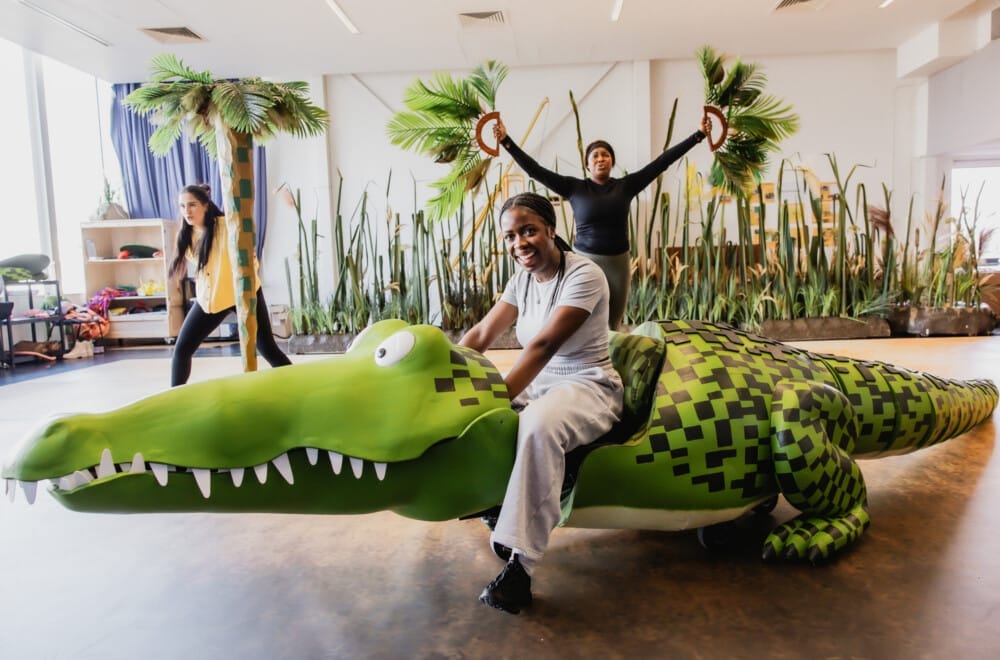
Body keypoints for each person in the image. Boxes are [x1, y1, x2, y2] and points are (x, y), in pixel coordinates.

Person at [459, 191, 624, 614]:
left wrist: (494, 399)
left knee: (535, 426)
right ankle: (495, 507)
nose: (520, 244)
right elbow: (481, 335)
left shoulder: (584, 275)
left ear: (551, 230)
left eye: (529, 231)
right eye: (511, 236)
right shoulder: (522, 280)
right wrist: (449, 373)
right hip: (542, 384)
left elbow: (544, 346)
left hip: (588, 385)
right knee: (487, 423)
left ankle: (521, 567)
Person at [493, 114, 713, 329]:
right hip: (584, 261)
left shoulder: (626, 186)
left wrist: (699, 135)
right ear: (587, 164)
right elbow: (535, 171)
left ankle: (611, 364)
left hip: (618, 263)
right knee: (583, 322)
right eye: (595, 155)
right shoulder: (575, 188)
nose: (600, 159)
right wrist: (506, 141)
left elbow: (662, 162)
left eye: (605, 155)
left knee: (613, 322)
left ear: (612, 162)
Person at [169, 183, 291, 386]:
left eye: (192, 205)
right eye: (182, 206)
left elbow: (249, 259)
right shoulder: (186, 235)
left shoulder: (227, 227)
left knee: (267, 348)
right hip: (212, 299)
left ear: (205, 205)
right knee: (182, 349)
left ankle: (296, 384)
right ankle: (173, 397)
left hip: (244, 291)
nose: (186, 211)